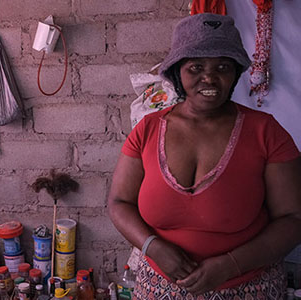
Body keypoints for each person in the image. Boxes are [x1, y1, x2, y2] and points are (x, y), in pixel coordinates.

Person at [108, 13, 301, 299]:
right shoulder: (147, 130)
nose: (209, 77)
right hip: (158, 285)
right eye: (196, 67)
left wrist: (230, 266)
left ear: (235, 72)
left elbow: (293, 219)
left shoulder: (266, 132)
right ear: (178, 72)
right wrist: (153, 247)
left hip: (246, 286)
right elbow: (119, 202)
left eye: (222, 67)